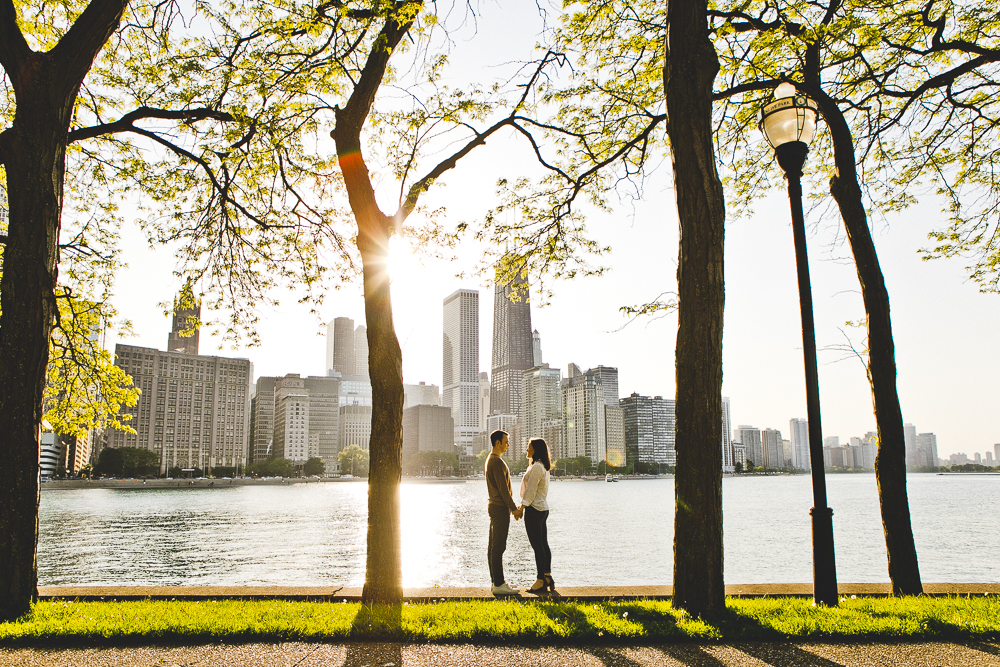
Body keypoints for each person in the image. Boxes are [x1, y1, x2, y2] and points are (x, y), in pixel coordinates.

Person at [486, 429, 522, 597]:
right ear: (498, 442)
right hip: (499, 508)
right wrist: (514, 509)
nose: (508, 444)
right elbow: (503, 490)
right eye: (506, 441)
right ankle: (499, 583)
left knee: (494, 546)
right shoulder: (497, 462)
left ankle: (497, 581)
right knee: (498, 546)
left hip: (495, 507)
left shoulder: (491, 459)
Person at [519, 437, 555, 595]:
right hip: (542, 509)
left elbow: (531, 491)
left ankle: (540, 580)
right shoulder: (542, 467)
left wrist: (522, 507)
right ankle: (547, 577)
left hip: (534, 510)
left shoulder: (536, 467)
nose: (527, 450)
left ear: (536, 449)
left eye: (529, 447)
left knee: (537, 547)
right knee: (543, 545)